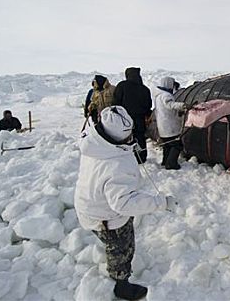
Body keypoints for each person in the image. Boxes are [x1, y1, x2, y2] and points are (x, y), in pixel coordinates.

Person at [74, 106, 177, 301]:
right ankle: (121, 284)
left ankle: (118, 268)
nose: (131, 136)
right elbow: (123, 203)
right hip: (105, 216)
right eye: (127, 135)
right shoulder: (115, 167)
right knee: (121, 248)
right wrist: (160, 203)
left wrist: (128, 148)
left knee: (119, 241)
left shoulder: (96, 144)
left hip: (92, 203)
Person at [114, 67, 152, 163]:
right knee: (140, 138)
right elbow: (148, 105)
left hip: (124, 119)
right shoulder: (144, 89)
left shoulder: (122, 86)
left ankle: (126, 157)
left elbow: (115, 102)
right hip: (139, 119)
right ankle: (141, 157)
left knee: (124, 138)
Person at [154, 77, 187, 170]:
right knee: (177, 145)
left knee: (167, 145)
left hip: (162, 126)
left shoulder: (158, 96)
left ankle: (165, 161)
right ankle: (171, 164)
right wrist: (183, 105)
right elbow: (170, 105)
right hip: (169, 126)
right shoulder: (166, 95)